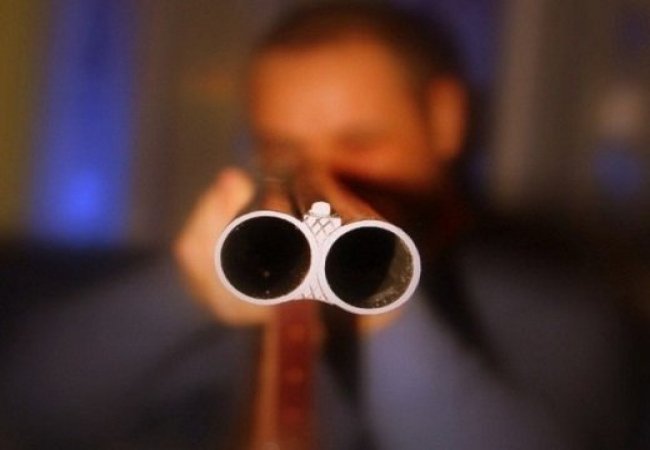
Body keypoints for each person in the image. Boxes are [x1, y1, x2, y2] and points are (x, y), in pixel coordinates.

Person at [0, 2, 643, 450]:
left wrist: (382, 294)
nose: (324, 184)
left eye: (359, 142)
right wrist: (186, 292)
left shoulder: (563, 313)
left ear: (445, 120)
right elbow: (30, 401)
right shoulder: (251, 275)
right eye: (283, 152)